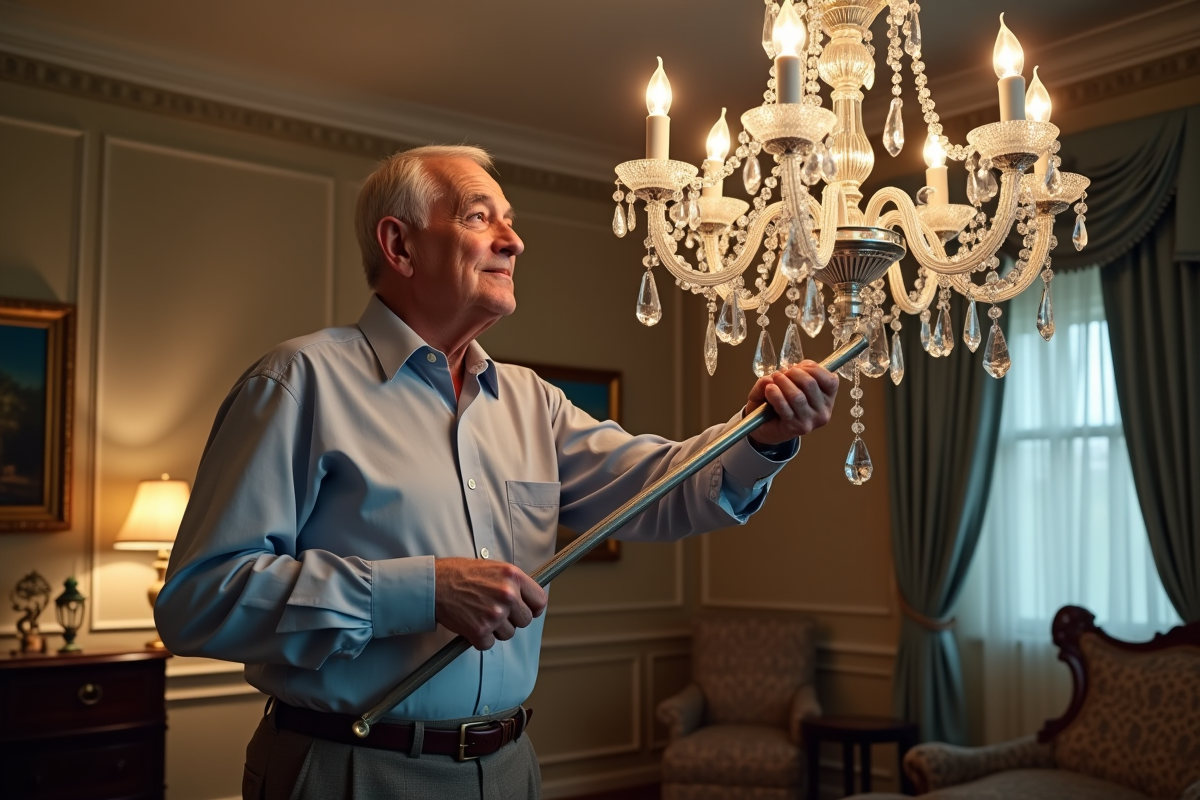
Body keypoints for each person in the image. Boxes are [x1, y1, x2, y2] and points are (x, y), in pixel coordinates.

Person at [155, 145, 839, 800]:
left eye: (509, 220)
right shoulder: (298, 383)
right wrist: (421, 591)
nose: (514, 241)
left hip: (510, 769)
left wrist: (762, 435)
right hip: (350, 771)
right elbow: (197, 604)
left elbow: (661, 490)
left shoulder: (533, 402)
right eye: (481, 217)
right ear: (400, 246)